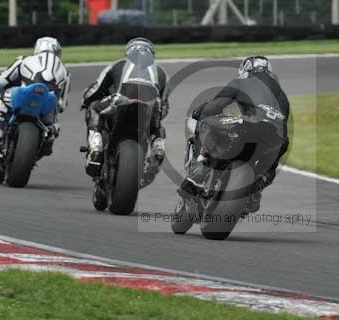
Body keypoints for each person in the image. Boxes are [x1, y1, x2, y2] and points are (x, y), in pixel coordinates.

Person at [181, 55, 290, 213]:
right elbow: (283, 123)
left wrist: (198, 111)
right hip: (277, 137)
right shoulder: (282, 95)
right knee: (270, 167)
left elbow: (216, 106)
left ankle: (198, 172)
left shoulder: (241, 82)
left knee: (207, 122)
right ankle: (255, 192)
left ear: (246, 70)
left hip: (249, 125)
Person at [81, 37, 169, 179]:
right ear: (151, 53)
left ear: (129, 51)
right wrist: (156, 116)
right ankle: (158, 148)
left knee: (94, 107)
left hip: (119, 100)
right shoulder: (162, 72)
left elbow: (96, 90)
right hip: (151, 105)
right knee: (157, 125)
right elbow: (164, 104)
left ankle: (96, 145)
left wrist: (86, 100)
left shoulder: (118, 64)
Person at [0, 36, 70, 155]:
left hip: (22, 96)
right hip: (47, 106)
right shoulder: (65, 72)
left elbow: (2, 80)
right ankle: (48, 137)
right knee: (54, 123)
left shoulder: (23, 60)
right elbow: (63, 104)